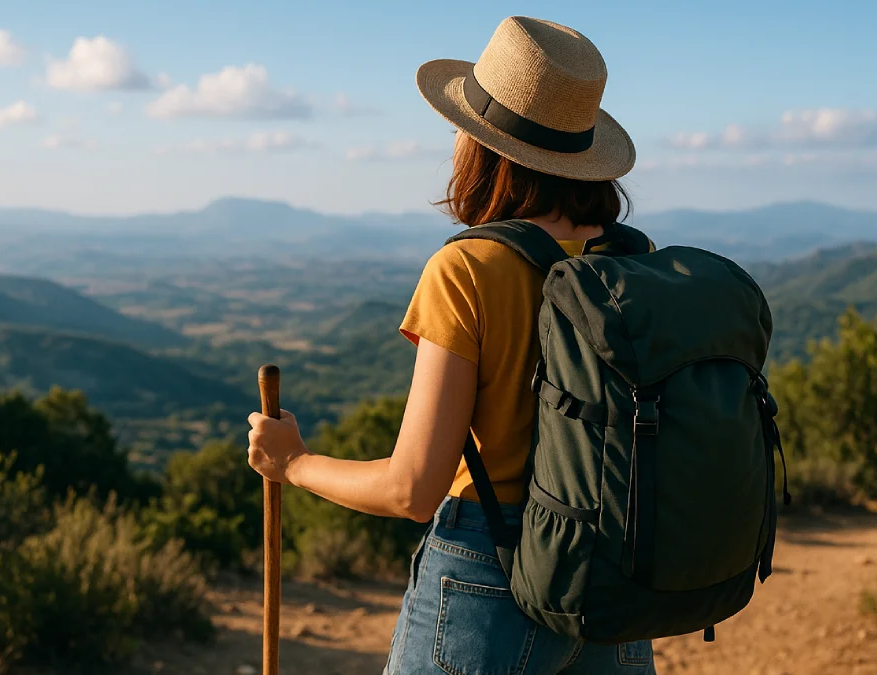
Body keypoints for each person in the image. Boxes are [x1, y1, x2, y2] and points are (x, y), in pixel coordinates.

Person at [247, 15, 657, 674]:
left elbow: (413, 488)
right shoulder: (634, 263)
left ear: (483, 148)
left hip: (490, 575)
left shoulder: (469, 268)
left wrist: (293, 462)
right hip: (613, 581)